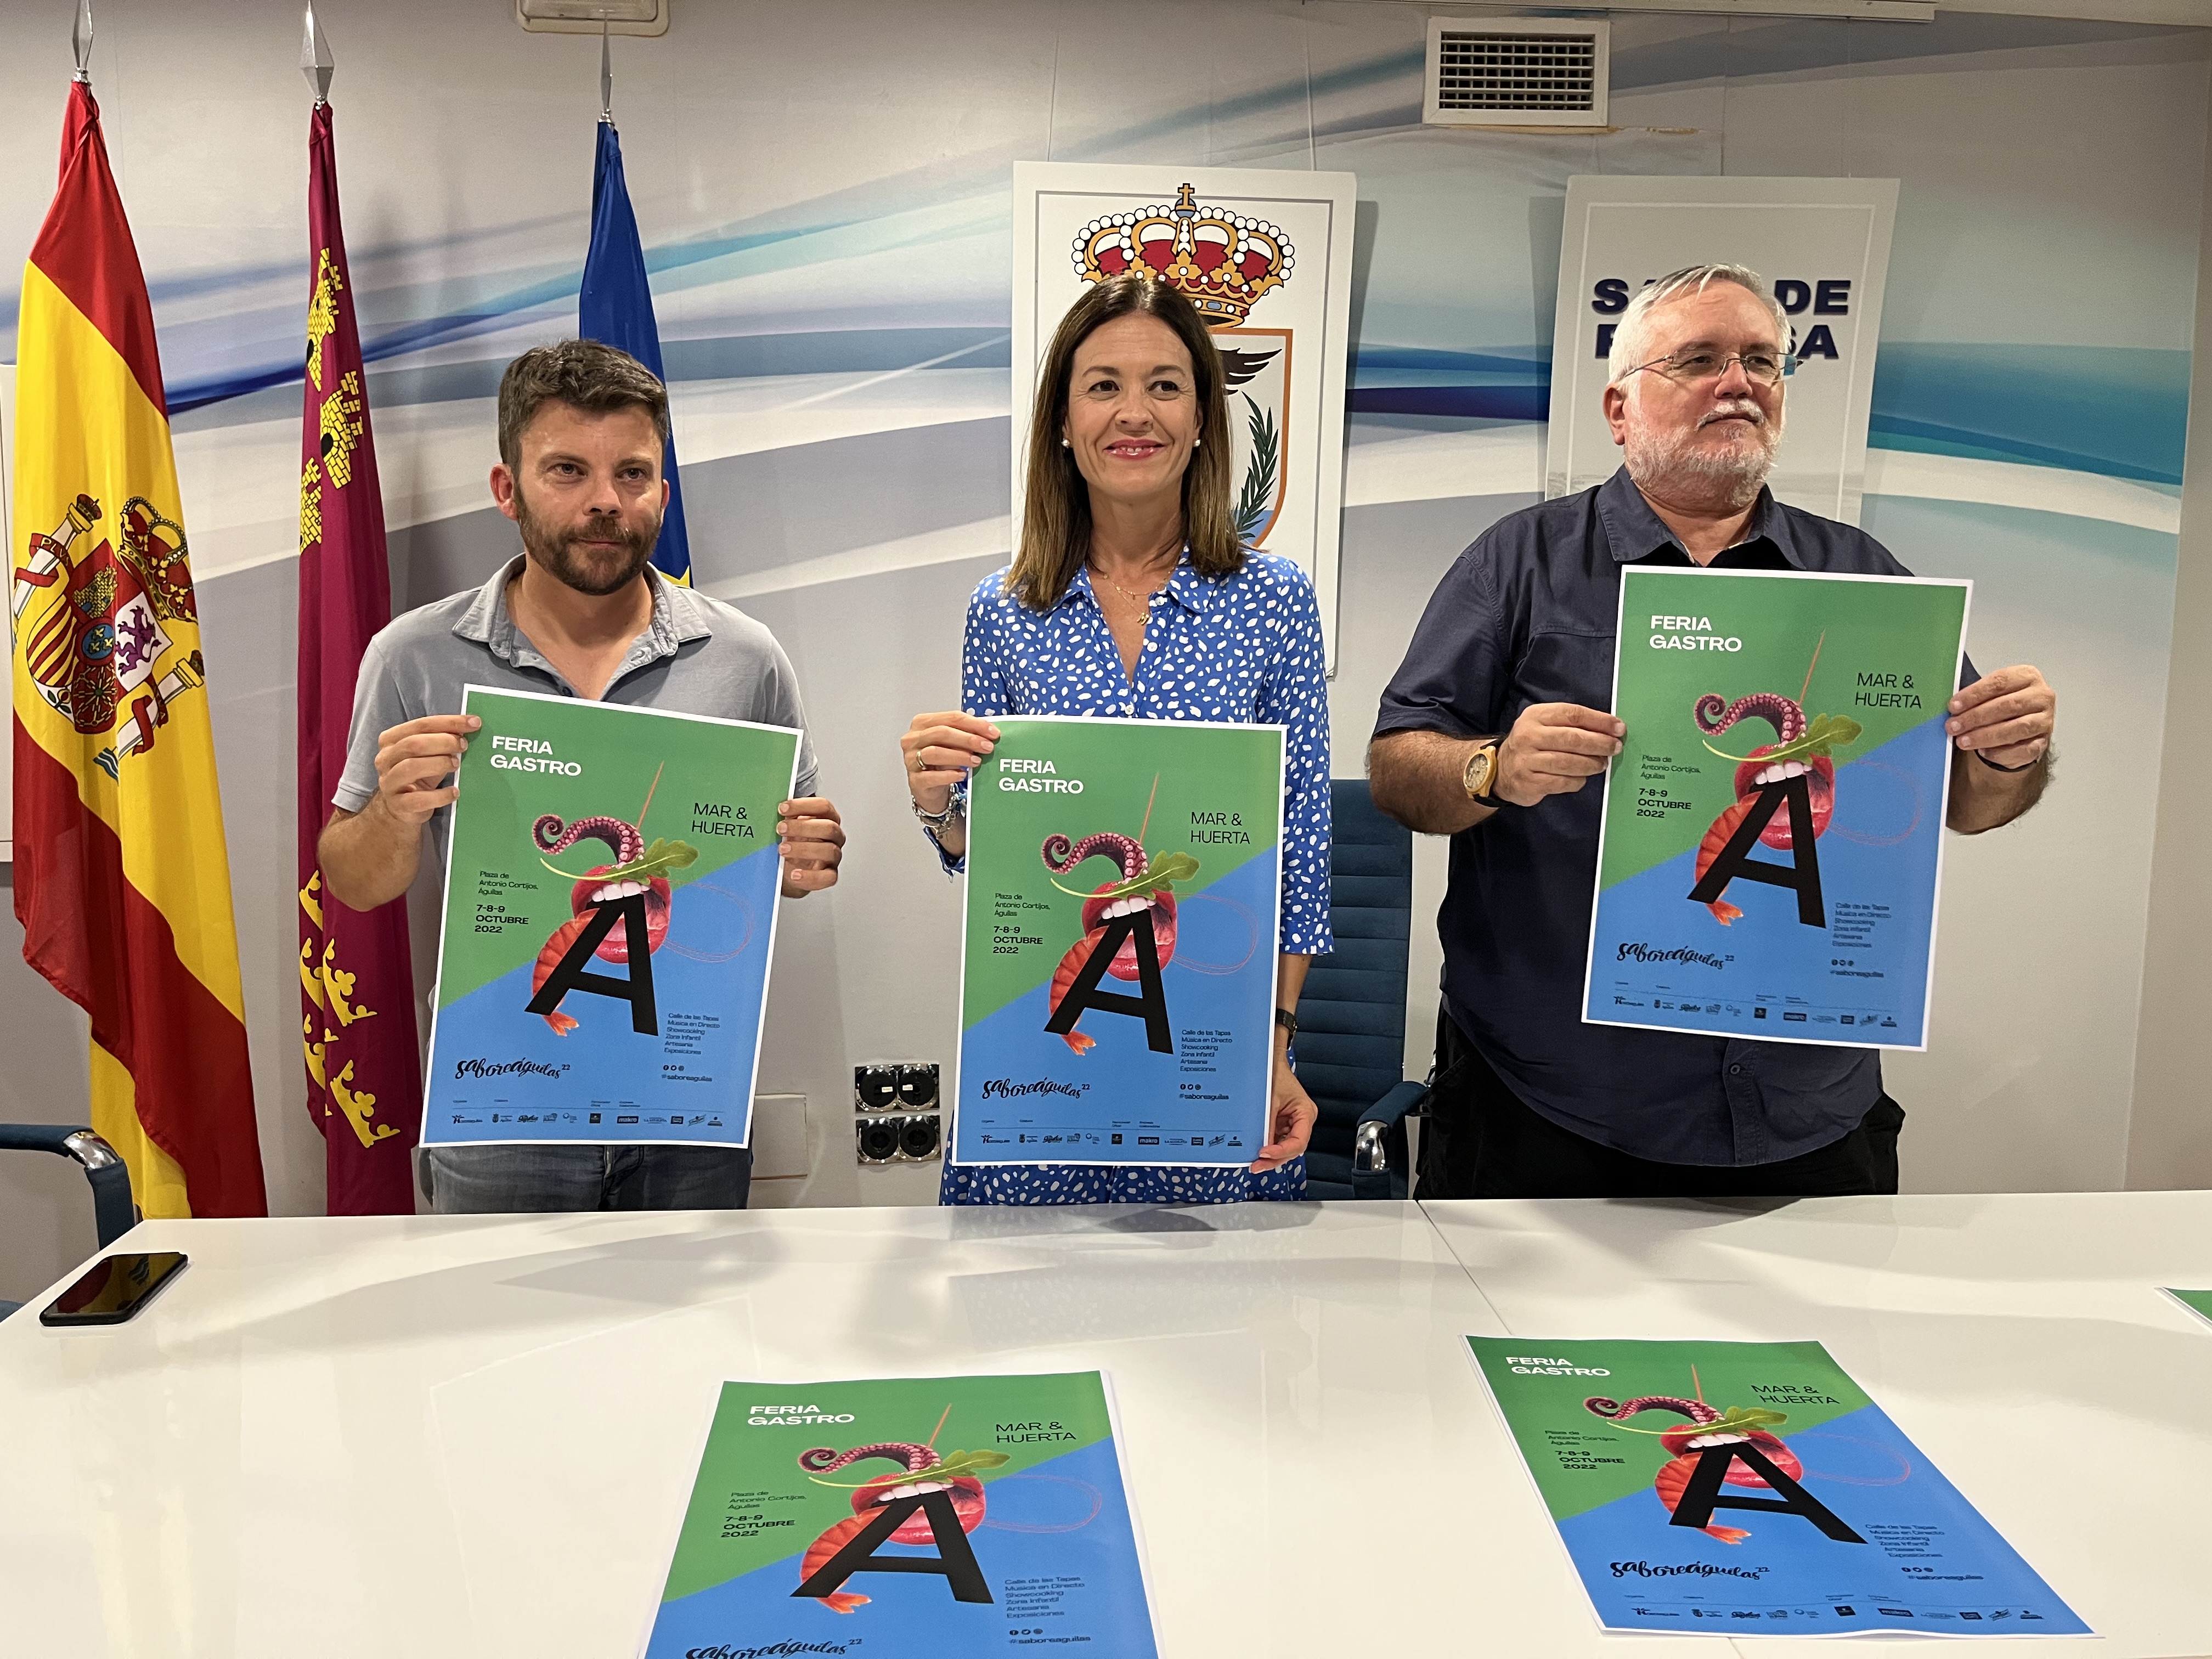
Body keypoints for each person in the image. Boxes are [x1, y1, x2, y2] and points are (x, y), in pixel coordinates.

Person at [1368, 264, 2056, 1201]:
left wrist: (2010, 755)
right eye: (1698, 359)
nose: (1739, 382)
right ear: (1620, 408)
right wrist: (1494, 766)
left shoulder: (1865, 579)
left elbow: (1973, 803)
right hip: (1551, 1105)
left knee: (1813, 1354)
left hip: (1807, 1110)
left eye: (1762, 362)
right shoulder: (1519, 564)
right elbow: (1399, 770)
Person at [320, 339, 845, 1214]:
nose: (605, 501)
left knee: (690, 1346)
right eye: (567, 470)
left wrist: (806, 858)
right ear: (508, 489)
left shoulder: (748, 658)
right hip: (501, 1110)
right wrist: (393, 816)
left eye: (632, 474)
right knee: (508, 1348)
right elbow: (352, 879)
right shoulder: (412, 655)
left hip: (689, 1102)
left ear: (663, 494)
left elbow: (792, 865)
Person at [900, 272, 1331, 1205]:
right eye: (1103, 385)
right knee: (1019, 1332)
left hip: (1211, 1048)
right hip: (1042, 1044)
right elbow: (993, 857)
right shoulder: (1004, 611)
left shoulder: (1277, 602)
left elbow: (1300, 849)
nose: (1135, 413)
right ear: (1062, 419)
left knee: (1215, 1342)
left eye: (1166, 385)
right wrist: (938, 811)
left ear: (1205, 418)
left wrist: (1277, 1046)